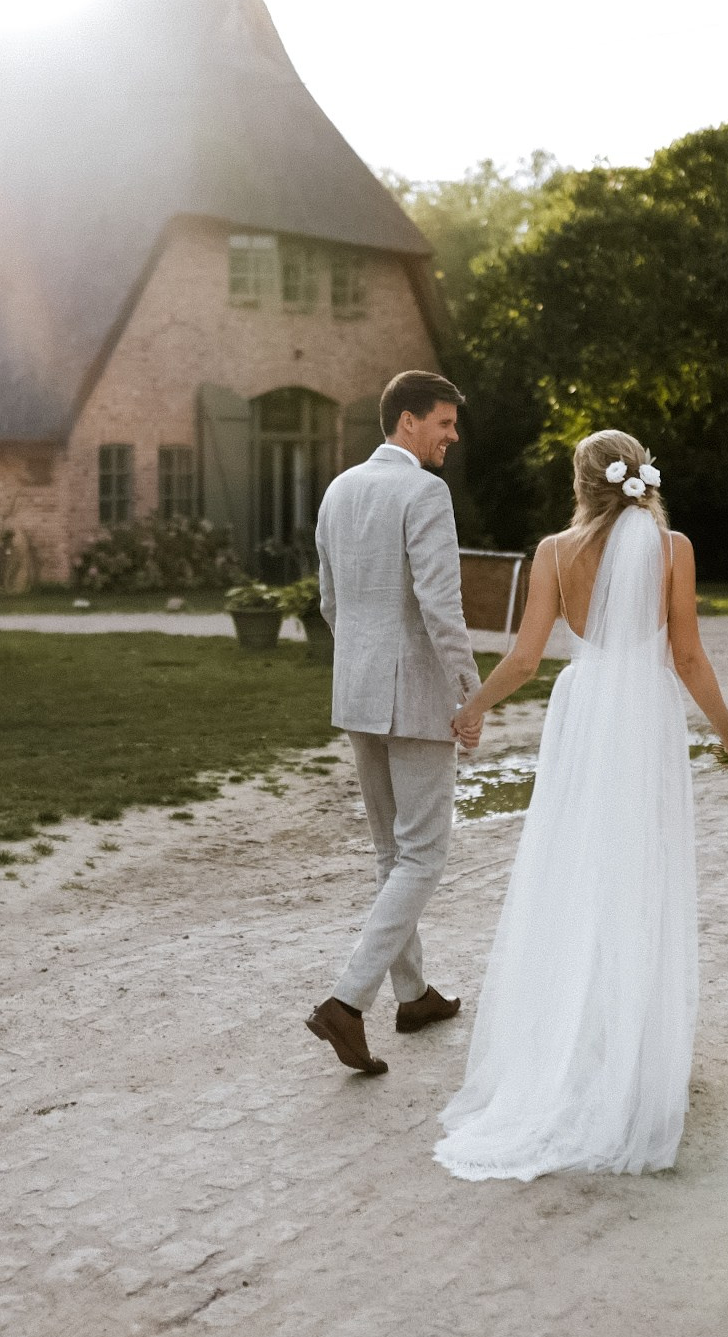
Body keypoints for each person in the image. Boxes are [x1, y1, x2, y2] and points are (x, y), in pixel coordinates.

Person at [434, 428, 728, 1180]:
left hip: (583, 716)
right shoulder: (671, 546)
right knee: (640, 869)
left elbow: (523, 657)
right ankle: (633, 1054)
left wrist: (474, 707)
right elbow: (684, 656)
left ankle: (575, 1045)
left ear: (581, 483)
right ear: (639, 475)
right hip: (643, 715)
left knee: (575, 863)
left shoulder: (553, 551)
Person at [306, 370, 484, 1077]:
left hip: (355, 690)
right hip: (413, 695)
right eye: (443, 422)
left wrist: (362, 660)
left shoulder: (338, 488)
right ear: (407, 421)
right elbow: (442, 604)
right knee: (422, 856)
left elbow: (327, 600)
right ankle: (347, 1001)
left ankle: (412, 996)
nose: (452, 436)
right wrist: (468, 694)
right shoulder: (423, 491)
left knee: (392, 855)